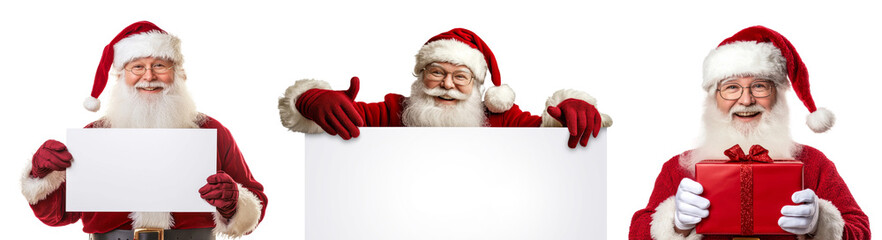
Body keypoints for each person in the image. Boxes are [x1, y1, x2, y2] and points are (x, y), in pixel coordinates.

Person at [20, 21, 267, 239]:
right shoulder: (93, 136)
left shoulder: (211, 131)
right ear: (121, 76)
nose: (148, 76)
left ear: (177, 73)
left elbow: (256, 203)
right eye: (137, 67)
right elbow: (57, 216)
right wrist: (42, 176)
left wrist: (234, 203)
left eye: (159, 65)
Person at [628, 26, 869, 240]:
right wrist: (675, 225)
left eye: (760, 86)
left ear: (778, 96)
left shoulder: (814, 164)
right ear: (713, 98)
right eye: (731, 87)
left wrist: (821, 224)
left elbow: (861, 230)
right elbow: (637, 233)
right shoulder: (678, 168)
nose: (746, 100)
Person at [278, 28, 612, 148]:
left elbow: (547, 136)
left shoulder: (502, 117)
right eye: (436, 72)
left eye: (460, 76)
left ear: (477, 84)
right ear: (420, 75)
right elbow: (340, 115)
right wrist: (311, 99)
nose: (447, 84)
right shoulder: (393, 111)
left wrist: (570, 111)